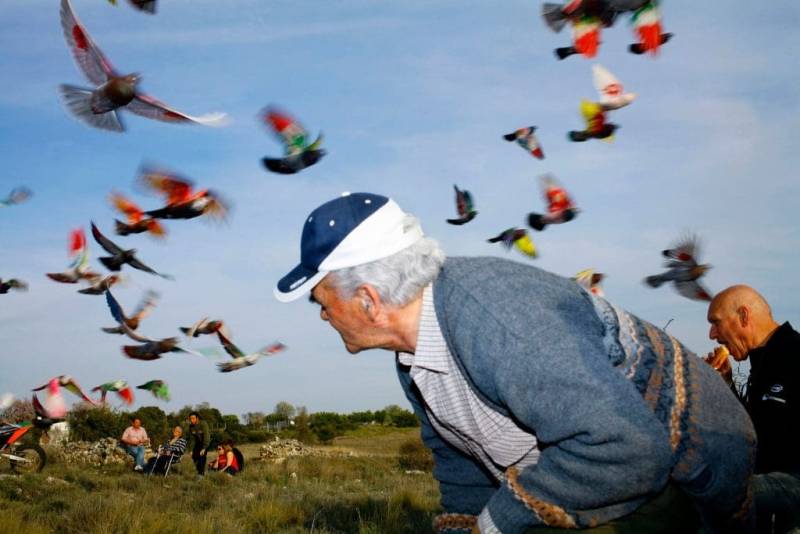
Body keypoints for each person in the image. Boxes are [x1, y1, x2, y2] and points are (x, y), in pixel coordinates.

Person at [274, 192, 757, 534]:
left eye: (321, 299)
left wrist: (500, 519)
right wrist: (463, 526)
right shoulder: (413, 356)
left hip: (686, 460)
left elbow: (628, 450)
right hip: (619, 469)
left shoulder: (499, 321)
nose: (322, 315)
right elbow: (458, 456)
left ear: (368, 299)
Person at [706, 285, 800, 533]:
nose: (711, 334)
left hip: (792, 482)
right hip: (766, 478)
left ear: (744, 316)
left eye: (716, 322)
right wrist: (726, 383)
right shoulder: (760, 363)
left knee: (712, 495)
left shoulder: (795, 354)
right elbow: (752, 427)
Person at [188, 412, 210, 476]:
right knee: (194, 457)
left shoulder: (203, 424)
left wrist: (204, 448)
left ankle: (201, 474)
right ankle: (200, 471)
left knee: (201, 457)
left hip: (204, 442)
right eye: (190, 419)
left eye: (193, 418)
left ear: (197, 418)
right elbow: (192, 439)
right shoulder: (191, 426)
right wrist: (191, 449)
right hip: (197, 443)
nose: (191, 420)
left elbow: (207, 436)